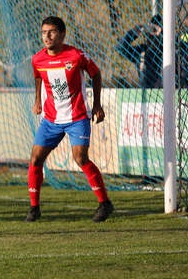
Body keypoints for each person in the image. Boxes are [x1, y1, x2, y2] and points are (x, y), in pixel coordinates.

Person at [26, 16, 113, 223]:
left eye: (52, 32)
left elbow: (96, 74)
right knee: (36, 159)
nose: (47, 36)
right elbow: (38, 77)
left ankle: (105, 203)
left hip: (77, 117)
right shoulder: (37, 59)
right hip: (51, 119)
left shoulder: (76, 55)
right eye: (43, 32)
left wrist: (97, 104)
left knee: (80, 158)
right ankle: (34, 208)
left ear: (62, 34)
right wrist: (37, 100)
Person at [115, 14, 162, 88]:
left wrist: (161, 33)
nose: (152, 34)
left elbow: (181, 45)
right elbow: (120, 48)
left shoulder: (171, 51)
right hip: (147, 91)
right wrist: (133, 33)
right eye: (151, 30)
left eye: (155, 30)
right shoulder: (142, 50)